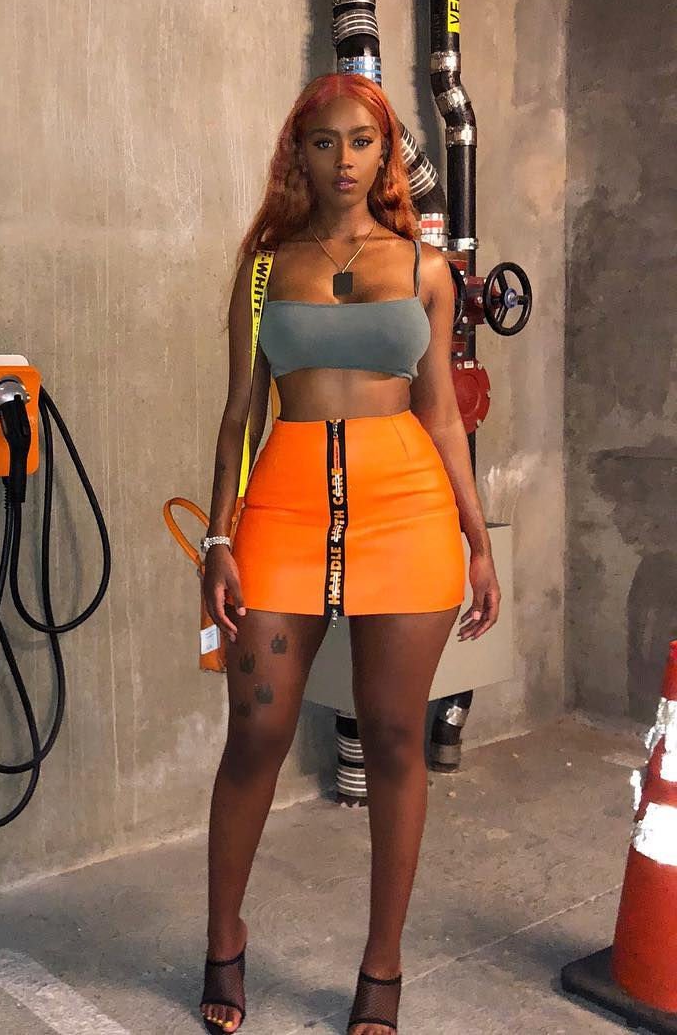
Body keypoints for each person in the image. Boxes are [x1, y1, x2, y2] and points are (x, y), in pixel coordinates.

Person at [197, 73, 501, 1034]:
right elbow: (240, 414)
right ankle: (224, 936)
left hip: (407, 514)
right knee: (256, 731)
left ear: (385, 155)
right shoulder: (262, 270)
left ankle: (382, 967)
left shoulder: (425, 271)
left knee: (398, 736)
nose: (343, 160)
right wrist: (218, 536)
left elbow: (441, 414)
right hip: (282, 512)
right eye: (323, 141)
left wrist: (478, 539)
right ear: (299, 152)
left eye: (361, 142)